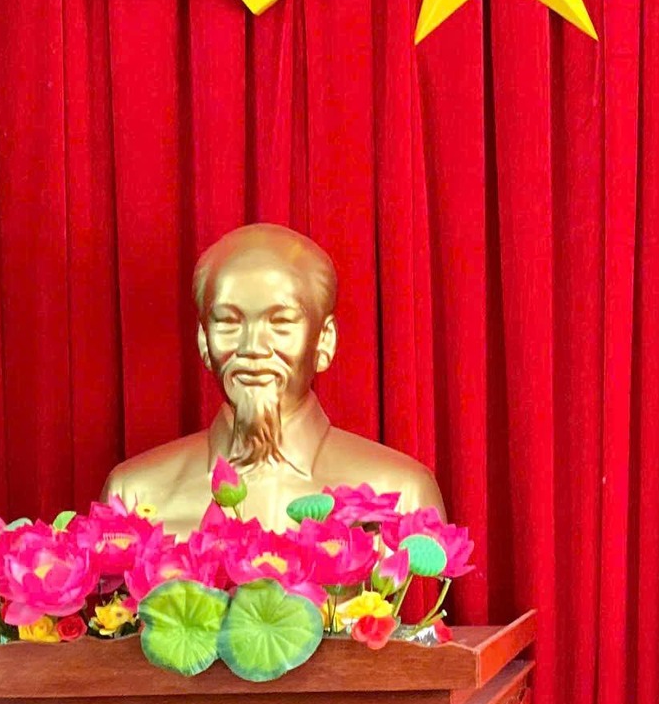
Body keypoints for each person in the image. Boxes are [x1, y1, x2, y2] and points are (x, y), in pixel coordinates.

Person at [103, 224, 444, 533]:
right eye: (229, 322)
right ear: (204, 341)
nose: (252, 347)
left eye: (281, 323)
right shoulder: (133, 496)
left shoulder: (401, 496)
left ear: (324, 340)